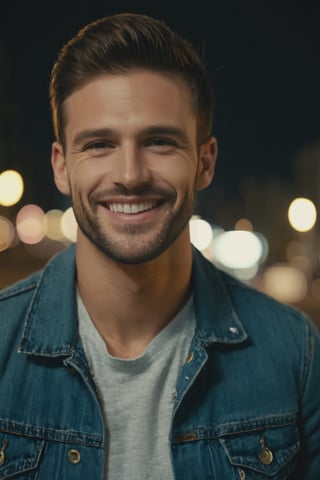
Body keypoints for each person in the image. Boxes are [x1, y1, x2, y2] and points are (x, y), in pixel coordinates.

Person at [0, 12, 319, 480]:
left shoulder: (295, 353)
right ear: (62, 166)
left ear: (205, 163)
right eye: (99, 144)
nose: (130, 175)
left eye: (160, 142)